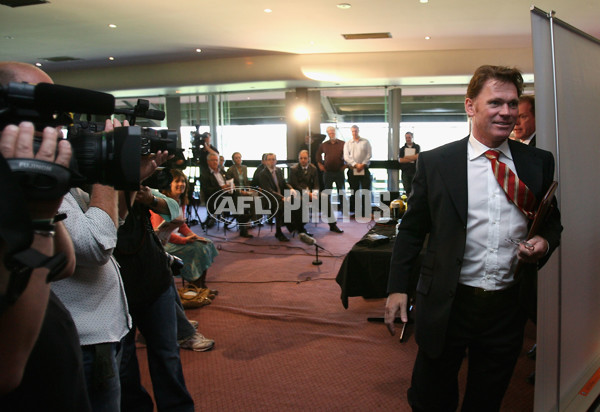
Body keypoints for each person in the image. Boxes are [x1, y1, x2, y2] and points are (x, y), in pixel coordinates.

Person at [384, 65, 562, 412]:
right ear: (471, 106)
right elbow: (412, 229)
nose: (506, 112)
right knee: (431, 396)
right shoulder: (437, 162)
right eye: (495, 102)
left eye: (512, 104)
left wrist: (543, 243)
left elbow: (552, 222)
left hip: (507, 306)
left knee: (487, 399)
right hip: (448, 302)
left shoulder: (538, 162)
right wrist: (397, 286)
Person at [0, 116, 89, 411]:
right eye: (35, 120)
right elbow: (6, 372)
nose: (52, 135)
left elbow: (63, 264)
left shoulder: (18, 195)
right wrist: (38, 222)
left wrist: (45, 202)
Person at [152, 168, 219, 288]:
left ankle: (201, 286)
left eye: (183, 181)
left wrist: (193, 236)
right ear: (168, 184)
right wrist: (184, 240)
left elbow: (181, 225)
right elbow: (159, 232)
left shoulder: (180, 201)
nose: (181, 184)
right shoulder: (161, 202)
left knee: (206, 244)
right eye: (177, 181)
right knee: (198, 249)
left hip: (175, 239)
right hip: (162, 244)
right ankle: (195, 285)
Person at [200, 152, 254, 238]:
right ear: (208, 162)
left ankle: (244, 217)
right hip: (215, 198)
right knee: (238, 202)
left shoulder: (222, 171)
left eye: (216, 160)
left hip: (228, 196)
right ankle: (244, 218)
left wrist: (231, 185)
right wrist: (221, 188)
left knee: (237, 195)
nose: (215, 162)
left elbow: (230, 180)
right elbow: (207, 191)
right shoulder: (204, 175)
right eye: (213, 160)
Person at [256, 153, 300, 242]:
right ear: (265, 161)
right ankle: (279, 232)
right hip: (268, 200)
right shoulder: (262, 174)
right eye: (269, 159)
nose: (272, 161)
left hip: (280, 197)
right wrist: (282, 198)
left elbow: (284, 183)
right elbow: (268, 191)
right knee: (282, 204)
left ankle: (297, 226)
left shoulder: (279, 170)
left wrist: (291, 189)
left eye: (273, 159)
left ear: (276, 161)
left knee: (297, 199)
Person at [316, 126, 345, 233]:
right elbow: (318, 155)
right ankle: (327, 212)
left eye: (333, 132)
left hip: (339, 172)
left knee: (341, 192)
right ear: (328, 133)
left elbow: (348, 155)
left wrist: (345, 166)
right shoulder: (324, 145)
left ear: (335, 132)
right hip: (327, 172)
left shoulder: (343, 143)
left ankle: (343, 210)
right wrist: (320, 165)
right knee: (327, 193)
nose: (331, 133)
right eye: (329, 132)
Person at [288, 150, 319, 236]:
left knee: (324, 196)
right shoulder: (294, 169)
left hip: (311, 193)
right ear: (298, 159)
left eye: (305, 158)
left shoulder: (313, 168)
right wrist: (308, 194)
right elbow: (295, 185)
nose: (303, 160)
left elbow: (316, 184)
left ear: (308, 159)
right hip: (298, 193)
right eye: (301, 158)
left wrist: (315, 193)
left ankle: (333, 225)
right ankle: (301, 227)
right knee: (302, 201)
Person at [343, 125, 372, 217]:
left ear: (358, 131)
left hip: (364, 169)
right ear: (351, 132)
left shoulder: (365, 142)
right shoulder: (348, 143)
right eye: (353, 131)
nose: (354, 133)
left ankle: (366, 212)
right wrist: (355, 164)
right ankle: (356, 212)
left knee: (365, 191)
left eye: (356, 131)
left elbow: (369, 154)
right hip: (352, 169)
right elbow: (346, 157)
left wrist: (362, 164)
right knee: (354, 192)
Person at [398, 131, 420, 196]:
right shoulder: (402, 149)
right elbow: (401, 160)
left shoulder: (417, 147)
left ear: (412, 137)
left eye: (409, 137)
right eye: (406, 138)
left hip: (414, 170)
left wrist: (406, 157)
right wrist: (413, 157)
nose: (408, 139)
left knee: (415, 187)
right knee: (407, 188)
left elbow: (417, 156)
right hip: (405, 171)